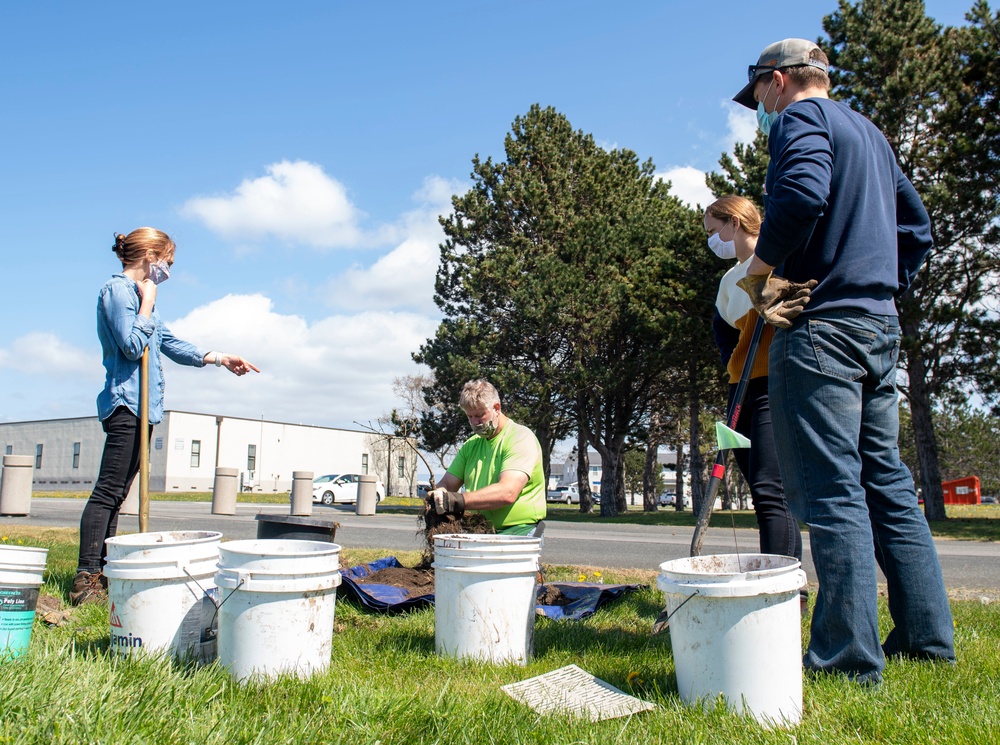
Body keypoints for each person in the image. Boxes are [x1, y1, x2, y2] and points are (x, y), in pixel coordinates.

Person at [732, 38, 955, 684]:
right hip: (876, 329)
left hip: (822, 329)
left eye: (758, 101)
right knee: (885, 482)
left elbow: (800, 193)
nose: (760, 114)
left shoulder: (802, 119)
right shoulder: (871, 135)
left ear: (778, 82)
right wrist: (875, 286)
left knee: (832, 489)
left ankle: (846, 658)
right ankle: (926, 641)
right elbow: (917, 230)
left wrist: (762, 272)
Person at [71, 228, 260, 605]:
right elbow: (130, 346)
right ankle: (86, 577)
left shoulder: (143, 300)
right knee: (108, 491)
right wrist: (147, 301)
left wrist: (220, 358)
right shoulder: (119, 292)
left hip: (145, 408)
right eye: (167, 263)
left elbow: (168, 342)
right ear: (150, 256)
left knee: (118, 494)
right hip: (126, 404)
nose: (168, 271)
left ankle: (103, 572)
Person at [704, 196, 803, 567]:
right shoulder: (730, 280)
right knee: (761, 490)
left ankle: (785, 589)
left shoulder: (779, 260)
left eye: (714, 231)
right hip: (740, 390)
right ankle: (776, 579)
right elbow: (724, 338)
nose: (712, 241)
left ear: (734, 223)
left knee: (770, 487)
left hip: (774, 385)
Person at [426, 379, 546, 536]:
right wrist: (439, 493)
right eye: (470, 417)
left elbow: (507, 492)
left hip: (519, 532)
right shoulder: (471, 445)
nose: (475, 423)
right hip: (479, 531)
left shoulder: (520, 438)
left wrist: (458, 501)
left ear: (497, 407)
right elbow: (448, 483)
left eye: (479, 415)